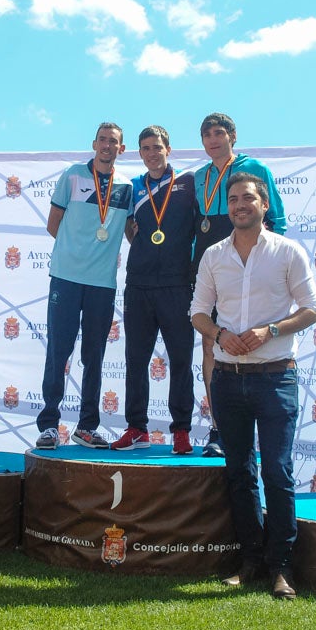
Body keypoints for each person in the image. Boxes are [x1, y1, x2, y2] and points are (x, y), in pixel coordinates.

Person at [191, 172, 316, 600]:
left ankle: (281, 566)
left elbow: (311, 310)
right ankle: (249, 562)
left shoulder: (288, 252)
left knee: (277, 473)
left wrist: (270, 331)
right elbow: (197, 314)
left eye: (248, 198)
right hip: (227, 379)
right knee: (239, 474)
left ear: (265, 206)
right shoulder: (213, 255)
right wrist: (218, 334)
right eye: (233, 199)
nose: (239, 204)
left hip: (276, 377)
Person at [193, 112, 286, 457]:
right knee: (211, 347)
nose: (213, 140)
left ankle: (258, 430)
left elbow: (278, 219)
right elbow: (195, 229)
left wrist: (268, 262)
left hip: (252, 265)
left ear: (233, 136)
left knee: (255, 342)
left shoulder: (256, 169)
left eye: (219, 133)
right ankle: (219, 428)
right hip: (213, 267)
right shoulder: (199, 177)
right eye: (207, 135)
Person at [35, 122, 133, 450]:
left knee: (95, 355)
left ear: (121, 149)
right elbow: (54, 224)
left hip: (102, 283)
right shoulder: (73, 175)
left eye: (114, 142)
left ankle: (87, 426)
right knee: (58, 350)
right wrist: (75, 253)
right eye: (103, 140)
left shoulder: (127, 186)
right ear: (94, 143)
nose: (107, 146)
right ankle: (49, 425)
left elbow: (131, 232)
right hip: (66, 277)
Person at [112, 125, 198, 454]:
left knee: (180, 359)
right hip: (139, 283)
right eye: (146, 148)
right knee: (136, 360)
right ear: (140, 152)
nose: (152, 153)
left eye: (157, 147)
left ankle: (181, 431)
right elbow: (130, 230)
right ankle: (137, 428)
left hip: (177, 284)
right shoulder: (133, 186)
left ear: (168, 149)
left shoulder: (188, 184)